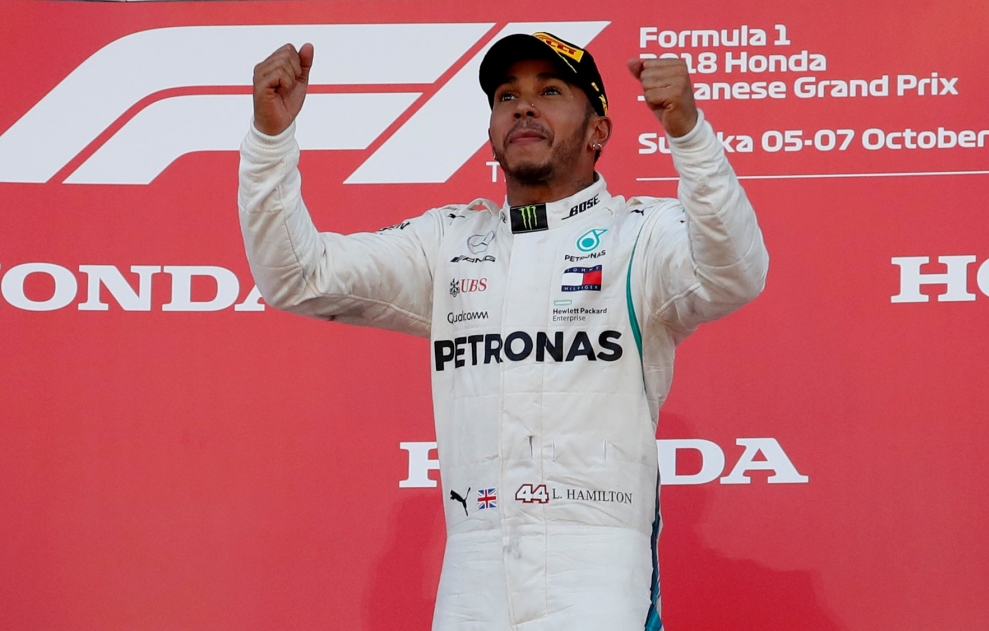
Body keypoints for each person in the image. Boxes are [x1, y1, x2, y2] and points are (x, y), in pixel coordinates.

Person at [239, 31, 767, 631]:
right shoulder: (450, 241)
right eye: (505, 95)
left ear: (599, 130)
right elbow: (299, 277)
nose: (523, 105)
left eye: (550, 90)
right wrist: (270, 140)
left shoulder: (641, 235)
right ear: (491, 132)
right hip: (474, 572)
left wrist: (690, 137)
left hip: (596, 572)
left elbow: (734, 274)